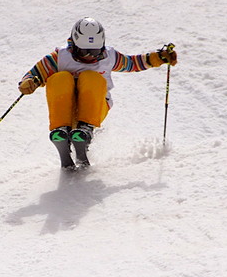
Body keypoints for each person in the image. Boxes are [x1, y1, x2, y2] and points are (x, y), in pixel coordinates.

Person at [18, 17, 177, 169]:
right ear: (73, 44)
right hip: (67, 109)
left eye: (94, 51)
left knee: (91, 78)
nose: (90, 56)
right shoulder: (60, 57)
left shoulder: (109, 57)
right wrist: (30, 82)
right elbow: (34, 74)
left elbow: (132, 63)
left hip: (95, 107)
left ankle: (84, 131)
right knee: (60, 78)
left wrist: (159, 58)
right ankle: (61, 133)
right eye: (84, 51)